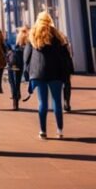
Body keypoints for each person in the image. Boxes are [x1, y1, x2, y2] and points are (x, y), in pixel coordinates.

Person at [24, 11, 71, 139]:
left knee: (42, 103)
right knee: (57, 102)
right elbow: (65, 55)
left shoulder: (32, 35)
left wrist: (28, 73)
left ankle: (43, 131)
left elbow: (26, 57)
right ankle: (60, 130)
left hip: (39, 74)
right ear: (49, 20)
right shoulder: (57, 35)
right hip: (56, 73)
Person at [7, 26, 28, 111]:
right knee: (18, 80)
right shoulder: (27, 39)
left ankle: (15, 100)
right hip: (20, 61)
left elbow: (7, 47)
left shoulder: (13, 37)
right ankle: (17, 94)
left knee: (12, 80)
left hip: (12, 61)